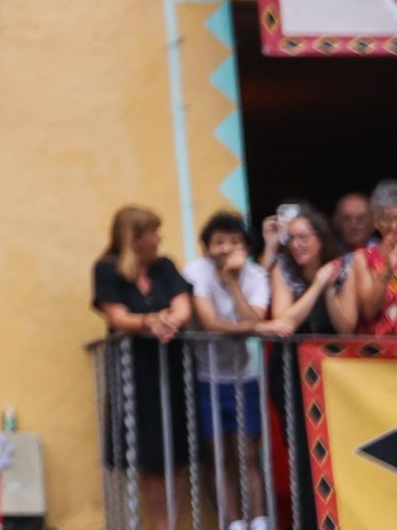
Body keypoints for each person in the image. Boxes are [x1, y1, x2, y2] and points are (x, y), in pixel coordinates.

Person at [94, 205, 192, 530]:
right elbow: (117, 317)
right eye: (153, 231)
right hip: (135, 373)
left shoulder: (165, 267)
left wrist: (168, 322)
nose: (159, 237)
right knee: (149, 454)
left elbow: (182, 306)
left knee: (179, 449)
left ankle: (172, 523)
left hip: (173, 367)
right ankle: (160, 525)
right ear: (135, 238)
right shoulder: (107, 269)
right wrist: (153, 321)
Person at [182, 209, 269, 509]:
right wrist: (248, 329)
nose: (226, 249)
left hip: (244, 376)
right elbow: (209, 322)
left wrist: (232, 283)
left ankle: (258, 520)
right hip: (207, 377)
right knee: (217, 454)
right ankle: (230, 522)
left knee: (247, 453)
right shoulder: (196, 272)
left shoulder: (257, 275)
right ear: (207, 249)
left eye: (234, 241)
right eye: (218, 242)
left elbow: (255, 318)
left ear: (245, 247)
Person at [348, 178, 397, 336]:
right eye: (386, 219)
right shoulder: (362, 258)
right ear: (375, 222)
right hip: (376, 354)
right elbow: (369, 312)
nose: (393, 226)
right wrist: (387, 271)